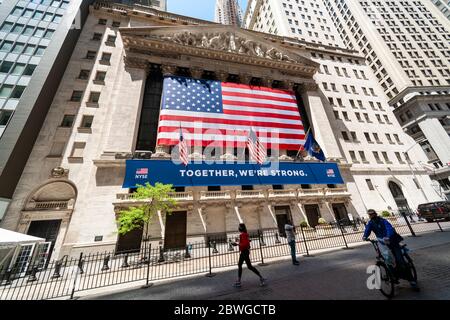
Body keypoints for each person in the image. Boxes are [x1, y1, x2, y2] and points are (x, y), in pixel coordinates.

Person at [362, 209, 419, 291]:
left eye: (372, 214)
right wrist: (365, 236)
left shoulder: (383, 221)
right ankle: (393, 275)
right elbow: (368, 229)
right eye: (369, 215)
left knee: (400, 261)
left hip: (392, 242)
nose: (371, 216)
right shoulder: (371, 223)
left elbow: (390, 228)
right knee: (387, 259)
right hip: (382, 243)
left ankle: (412, 281)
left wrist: (388, 236)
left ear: (375, 214)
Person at [232, 223, 266, 287]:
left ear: (241, 228)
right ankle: (239, 280)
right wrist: (239, 241)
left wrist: (237, 244)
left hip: (244, 252)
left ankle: (261, 278)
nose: (238, 228)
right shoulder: (244, 234)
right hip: (244, 252)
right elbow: (247, 242)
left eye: (239, 227)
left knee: (248, 266)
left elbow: (245, 244)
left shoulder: (243, 235)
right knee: (241, 265)